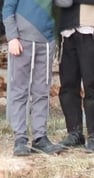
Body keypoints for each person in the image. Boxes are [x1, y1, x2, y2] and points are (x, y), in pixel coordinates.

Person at [5, 0, 65, 156]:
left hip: (46, 41)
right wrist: (12, 37)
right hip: (21, 41)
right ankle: (20, 138)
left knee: (41, 90)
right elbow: (7, 9)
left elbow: (66, 3)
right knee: (19, 90)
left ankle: (40, 138)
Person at [56, 0, 94, 152]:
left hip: (90, 25)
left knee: (91, 82)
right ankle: (74, 132)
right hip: (66, 28)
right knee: (68, 83)